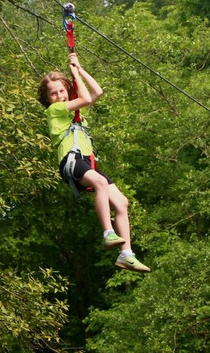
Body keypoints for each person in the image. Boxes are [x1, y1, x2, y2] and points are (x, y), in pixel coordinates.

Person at [38, 53, 150, 273]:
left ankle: (126, 254)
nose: (60, 96)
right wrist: (74, 75)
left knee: (121, 202)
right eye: (54, 93)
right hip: (71, 162)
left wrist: (79, 70)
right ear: (48, 98)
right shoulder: (55, 110)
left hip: (86, 163)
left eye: (62, 90)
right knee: (99, 183)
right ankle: (108, 233)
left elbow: (97, 92)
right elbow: (88, 98)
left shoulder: (74, 111)